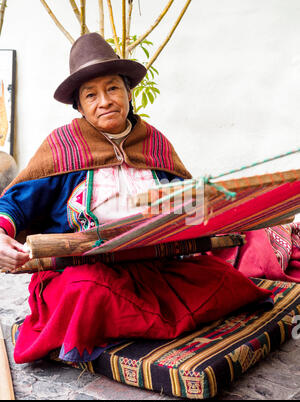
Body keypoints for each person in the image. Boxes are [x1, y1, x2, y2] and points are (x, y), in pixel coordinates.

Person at [0, 33, 272, 365]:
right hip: (83, 269)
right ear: (80, 106)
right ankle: (115, 324)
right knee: (87, 292)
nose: (105, 101)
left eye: (113, 88)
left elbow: (186, 203)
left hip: (150, 265)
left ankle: (119, 325)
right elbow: (15, 203)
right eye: (91, 95)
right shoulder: (62, 147)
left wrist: (214, 209)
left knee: (225, 280)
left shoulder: (154, 143)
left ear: (129, 92)